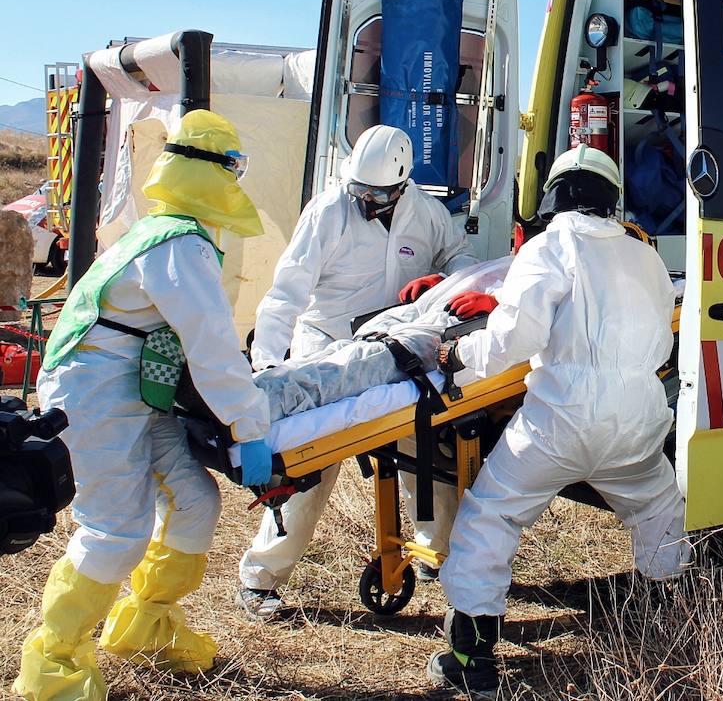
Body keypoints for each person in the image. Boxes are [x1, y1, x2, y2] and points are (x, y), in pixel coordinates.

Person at [14, 110, 272, 701]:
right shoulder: (178, 245)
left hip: (130, 389)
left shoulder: (165, 231)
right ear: (210, 173)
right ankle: (53, 665)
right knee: (115, 530)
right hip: (98, 391)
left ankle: (144, 626)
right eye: (233, 168)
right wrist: (249, 427)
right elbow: (212, 347)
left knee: (195, 501)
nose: (237, 180)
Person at [426, 144, 688, 695]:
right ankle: (678, 625)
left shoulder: (548, 247)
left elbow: (514, 339)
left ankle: (470, 655)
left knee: (492, 515)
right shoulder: (646, 256)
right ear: (611, 199)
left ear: (557, 192)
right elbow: (663, 342)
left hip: (559, 425)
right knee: (660, 509)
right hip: (639, 423)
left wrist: (459, 356)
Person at [238, 123, 478, 619]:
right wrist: (267, 364)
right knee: (310, 463)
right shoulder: (328, 212)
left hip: (388, 353)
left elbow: (461, 257)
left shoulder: (427, 214)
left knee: (424, 444)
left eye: (378, 193)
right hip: (326, 347)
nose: (366, 200)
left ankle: (440, 551)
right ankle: (260, 577)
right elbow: (286, 293)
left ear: (402, 184)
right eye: (360, 190)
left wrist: (446, 278)